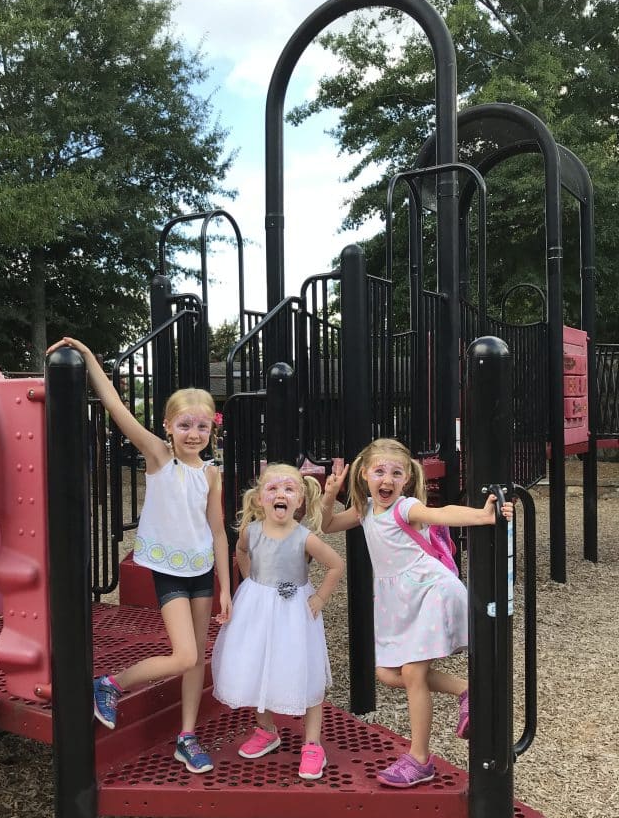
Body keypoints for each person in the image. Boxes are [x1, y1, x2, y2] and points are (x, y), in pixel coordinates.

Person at [47, 336, 232, 775]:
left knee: (197, 658)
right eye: (185, 425)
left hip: (202, 569)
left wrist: (227, 587)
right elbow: (115, 406)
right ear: (167, 426)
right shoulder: (159, 456)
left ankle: (187, 736)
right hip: (169, 571)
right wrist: (91, 355)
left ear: (212, 430)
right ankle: (110, 683)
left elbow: (218, 531)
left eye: (203, 427)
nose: (194, 434)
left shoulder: (210, 473)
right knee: (185, 654)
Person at [321, 438, 513, 789]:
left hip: (429, 589)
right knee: (386, 672)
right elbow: (328, 525)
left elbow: (441, 514)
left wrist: (483, 516)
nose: (387, 479)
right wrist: (329, 494)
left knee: (411, 672)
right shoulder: (365, 510)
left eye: (396, 473)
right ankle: (469, 691)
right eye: (379, 471)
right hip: (399, 599)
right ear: (365, 475)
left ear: (407, 479)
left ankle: (420, 758)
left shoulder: (404, 507)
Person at [212, 463, 344, 780]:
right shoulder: (251, 532)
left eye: (289, 489)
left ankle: (312, 743)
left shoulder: (305, 538)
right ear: (260, 499)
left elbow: (336, 565)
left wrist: (320, 598)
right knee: (258, 665)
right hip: (256, 607)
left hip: (295, 612)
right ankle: (267, 729)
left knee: (304, 670)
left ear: (299, 500)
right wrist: (251, 582)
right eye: (272, 489)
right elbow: (241, 552)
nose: (280, 494)